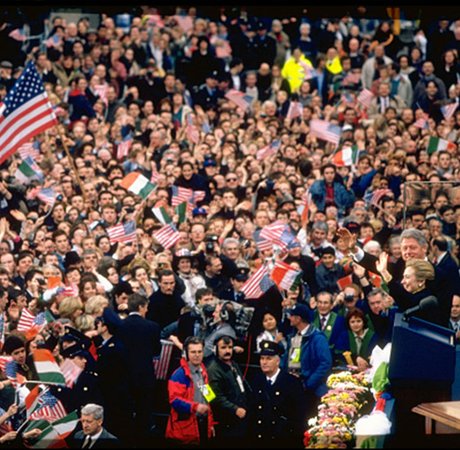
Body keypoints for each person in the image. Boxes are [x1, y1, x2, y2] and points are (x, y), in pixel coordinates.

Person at [102, 293, 161, 447]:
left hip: (125, 378)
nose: (147, 310)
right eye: (146, 307)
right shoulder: (152, 327)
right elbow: (156, 351)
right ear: (141, 307)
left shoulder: (121, 326)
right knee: (144, 414)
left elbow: (107, 312)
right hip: (144, 378)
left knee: (127, 415)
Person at [249, 340, 305, 448]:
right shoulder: (256, 381)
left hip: (283, 439)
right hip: (261, 438)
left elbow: (298, 415)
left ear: (277, 361)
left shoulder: (291, 382)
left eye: (269, 359)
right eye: (262, 358)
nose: (264, 362)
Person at [283, 303, 332, 419]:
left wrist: (309, 384)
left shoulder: (317, 338)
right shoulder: (294, 336)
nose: (289, 318)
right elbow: (288, 360)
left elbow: (325, 363)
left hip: (311, 391)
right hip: (295, 387)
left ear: (298, 319)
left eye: (291, 315)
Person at [166, 336, 215, 446]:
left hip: (202, 426)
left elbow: (209, 398)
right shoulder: (179, 375)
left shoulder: (203, 372)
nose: (197, 355)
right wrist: (195, 407)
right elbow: (174, 401)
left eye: (199, 351)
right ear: (186, 353)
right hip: (185, 431)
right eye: (193, 352)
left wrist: (211, 424)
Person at [206, 335, 249, 445]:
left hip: (238, 418)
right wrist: (235, 409)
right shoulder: (213, 369)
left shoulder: (233, 364)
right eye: (223, 348)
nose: (227, 351)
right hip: (225, 420)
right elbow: (214, 398)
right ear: (216, 349)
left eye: (230, 347)